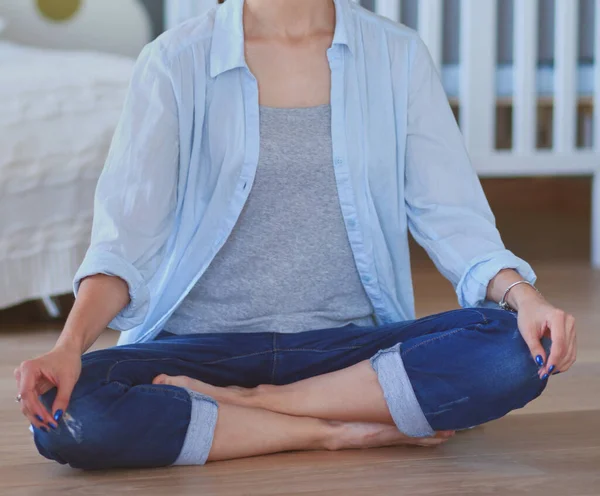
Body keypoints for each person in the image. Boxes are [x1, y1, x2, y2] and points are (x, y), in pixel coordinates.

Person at [15, 0, 576, 470]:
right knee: (69, 414)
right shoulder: (173, 61)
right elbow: (123, 239)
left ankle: (255, 406)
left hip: (347, 353)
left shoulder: (396, 55)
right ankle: (332, 430)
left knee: (513, 349)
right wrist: (68, 348)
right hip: (195, 352)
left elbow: (453, 218)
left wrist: (525, 298)